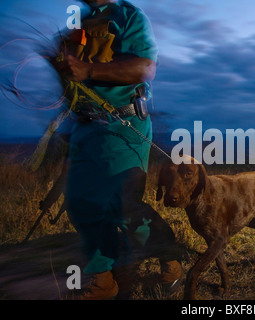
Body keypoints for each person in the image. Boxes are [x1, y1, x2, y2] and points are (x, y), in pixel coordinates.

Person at [54, 0, 182, 300]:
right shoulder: (80, 24)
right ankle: (103, 278)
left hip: (122, 125)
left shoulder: (129, 15)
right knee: (80, 202)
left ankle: (169, 255)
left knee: (124, 208)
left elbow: (144, 67)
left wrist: (86, 69)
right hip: (85, 128)